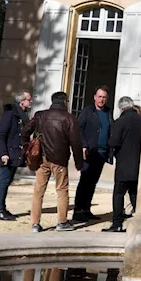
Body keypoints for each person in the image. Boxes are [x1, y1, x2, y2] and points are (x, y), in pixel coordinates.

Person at [22, 90, 84, 232]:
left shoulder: (40, 115)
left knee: (38, 191)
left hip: (42, 158)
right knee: (62, 191)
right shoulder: (69, 118)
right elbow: (76, 142)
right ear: (64, 102)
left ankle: (35, 223)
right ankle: (62, 222)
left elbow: (25, 131)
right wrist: (79, 162)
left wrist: (26, 147)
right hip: (60, 159)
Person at [103, 96, 141, 232]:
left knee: (119, 194)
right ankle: (140, 224)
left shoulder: (119, 122)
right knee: (135, 194)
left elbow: (113, 142)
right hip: (139, 164)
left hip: (124, 164)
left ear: (121, 108)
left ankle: (117, 224)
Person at [73, 87, 112, 223]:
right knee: (84, 181)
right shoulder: (87, 111)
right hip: (89, 152)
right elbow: (79, 129)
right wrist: (84, 145)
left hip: (101, 153)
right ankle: (78, 211)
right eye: (99, 96)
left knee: (93, 182)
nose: (101, 99)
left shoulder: (108, 112)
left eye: (104, 97)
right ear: (95, 97)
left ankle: (86, 209)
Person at [0, 91, 32, 221]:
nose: (30, 102)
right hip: (8, 154)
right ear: (22, 102)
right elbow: (0, 135)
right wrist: (4, 153)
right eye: (28, 99)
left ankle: (2, 208)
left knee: (7, 181)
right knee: (3, 181)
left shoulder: (21, 115)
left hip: (15, 154)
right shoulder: (10, 114)